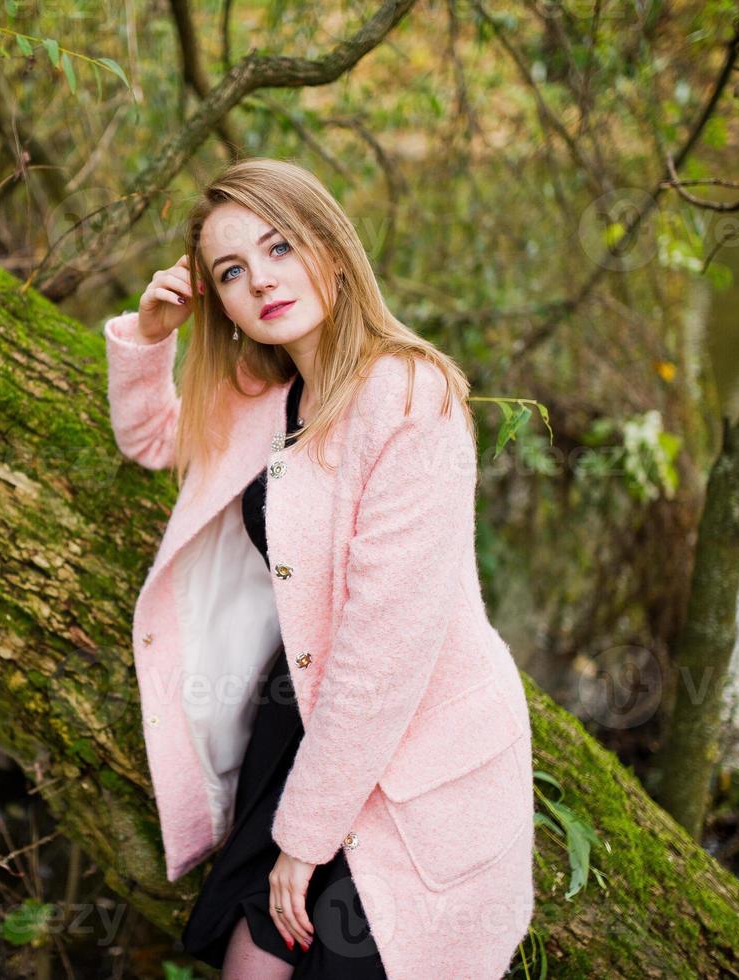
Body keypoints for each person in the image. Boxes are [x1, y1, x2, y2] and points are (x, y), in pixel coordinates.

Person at [103, 158, 535, 979]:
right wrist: (150, 335)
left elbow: (382, 658)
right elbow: (152, 440)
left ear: (329, 249)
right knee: (250, 964)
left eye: (278, 247)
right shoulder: (263, 394)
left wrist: (301, 845)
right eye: (232, 271)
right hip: (303, 728)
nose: (260, 281)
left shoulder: (413, 402)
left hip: (413, 753)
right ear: (219, 300)